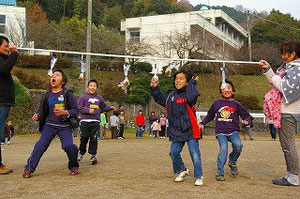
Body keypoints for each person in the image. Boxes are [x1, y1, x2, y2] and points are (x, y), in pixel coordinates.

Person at [23, 69, 80, 178]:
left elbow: (76, 110)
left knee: (69, 146)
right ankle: (28, 169)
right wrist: (37, 115)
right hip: (49, 125)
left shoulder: (67, 93)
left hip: (64, 126)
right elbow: (41, 109)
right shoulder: (46, 94)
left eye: (57, 75)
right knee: (40, 146)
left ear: (62, 81)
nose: (53, 77)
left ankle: (73, 166)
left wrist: (65, 112)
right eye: (52, 75)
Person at [150, 70, 204, 186]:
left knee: (194, 154)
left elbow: (191, 98)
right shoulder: (170, 96)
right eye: (176, 79)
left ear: (187, 81)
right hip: (176, 130)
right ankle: (182, 170)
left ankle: (199, 176)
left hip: (190, 129)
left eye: (181, 78)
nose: (177, 81)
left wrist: (193, 84)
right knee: (173, 152)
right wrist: (155, 88)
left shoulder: (190, 93)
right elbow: (160, 98)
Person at [259, 40, 300, 186]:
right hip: (287, 110)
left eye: (285, 53)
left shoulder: (296, 70)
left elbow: (284, 88)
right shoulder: (289, 68)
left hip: (289, 111)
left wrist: (274, 76)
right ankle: (291, 174)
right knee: (287, 145)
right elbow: (277, 82)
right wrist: (268, 69)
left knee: (288, 145)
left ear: (293, 54)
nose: (283, 56)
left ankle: (293, 177)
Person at [200, 79, 253, 181]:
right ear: (221, 92)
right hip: (221, 132)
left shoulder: (236, 104)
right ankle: (220, 172)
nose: (226, 90)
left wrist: (247, 121)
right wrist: (202, 123)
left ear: (233, 91)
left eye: (229, 88)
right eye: (224, 88)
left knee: (238, 145)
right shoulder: (217, 103)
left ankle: (232, 161)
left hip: (233, 131)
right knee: (223, 148)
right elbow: (210, 115)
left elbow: (247, 116)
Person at [77, 79, 115, 164]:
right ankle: (81, 153)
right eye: (91, 86)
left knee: (94, 138)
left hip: (95, 121)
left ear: (97, 88)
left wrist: (110, 108)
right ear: (87, 87)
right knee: (84, 137)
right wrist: (88, 110)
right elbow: (79, 108)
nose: (92, 87)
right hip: (85, 121)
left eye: (94, 86)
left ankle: (93, 156)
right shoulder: (83, 97)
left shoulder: (99, 98)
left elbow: (104, 107)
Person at [0, 35, 18, 175]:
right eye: (6, 46)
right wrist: (14, 53)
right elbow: (5, 69)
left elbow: (7, 64)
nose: (8, 48)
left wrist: (11, 54)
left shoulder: (2, 59)